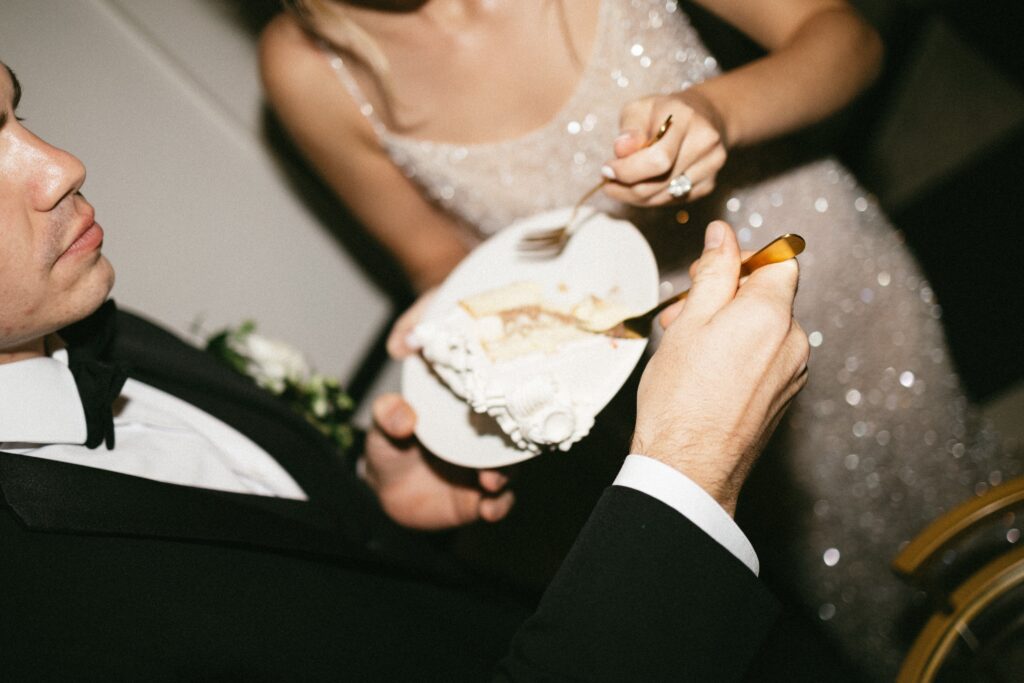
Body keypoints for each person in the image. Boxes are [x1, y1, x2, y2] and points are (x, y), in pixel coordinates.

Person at [258, 1, 1021, 675]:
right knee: (847, 582)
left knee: (954, 479)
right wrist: (456, 326)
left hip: (825, 268)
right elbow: (439, 261)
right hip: (669, 391)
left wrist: (718, 113)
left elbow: (847, 40)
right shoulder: (307, 70)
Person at [0, 60, 809, 680]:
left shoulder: (88, 320)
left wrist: (372, 507)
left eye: (17, 111)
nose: (60, 165)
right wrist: (695, 462)